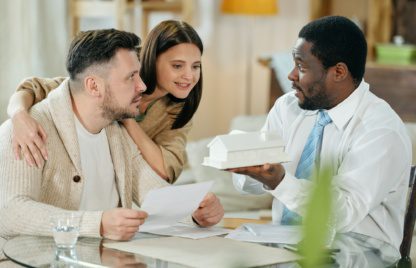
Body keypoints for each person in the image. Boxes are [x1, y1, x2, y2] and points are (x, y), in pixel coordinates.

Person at [0, 28, 223, 261]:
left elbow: (151, 191)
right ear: (94, 86)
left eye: (139, 75)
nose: (142, 86)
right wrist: (98, 224)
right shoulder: (25, 132)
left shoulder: (116, 131)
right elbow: (10, 213)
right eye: (131, 77)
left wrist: (195, 211)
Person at [230, 16, 412, 252]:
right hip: (284, 245)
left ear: (338, 72)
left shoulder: (380, 129)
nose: (291, 75)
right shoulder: (288, 107)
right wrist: (247, 169)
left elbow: (343, 213)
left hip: (360, 252)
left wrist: (280, 181)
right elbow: (252, 185)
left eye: (302, 67)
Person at [6, 20, 203, 183]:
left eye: (196, 66)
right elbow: (36, 88)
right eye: (177, 66)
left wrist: (126, 116)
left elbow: (166, 172)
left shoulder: (177, 110)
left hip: (116, 187)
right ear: (151, 59)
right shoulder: (118, 78)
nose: (189, 76)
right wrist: (18, 115)